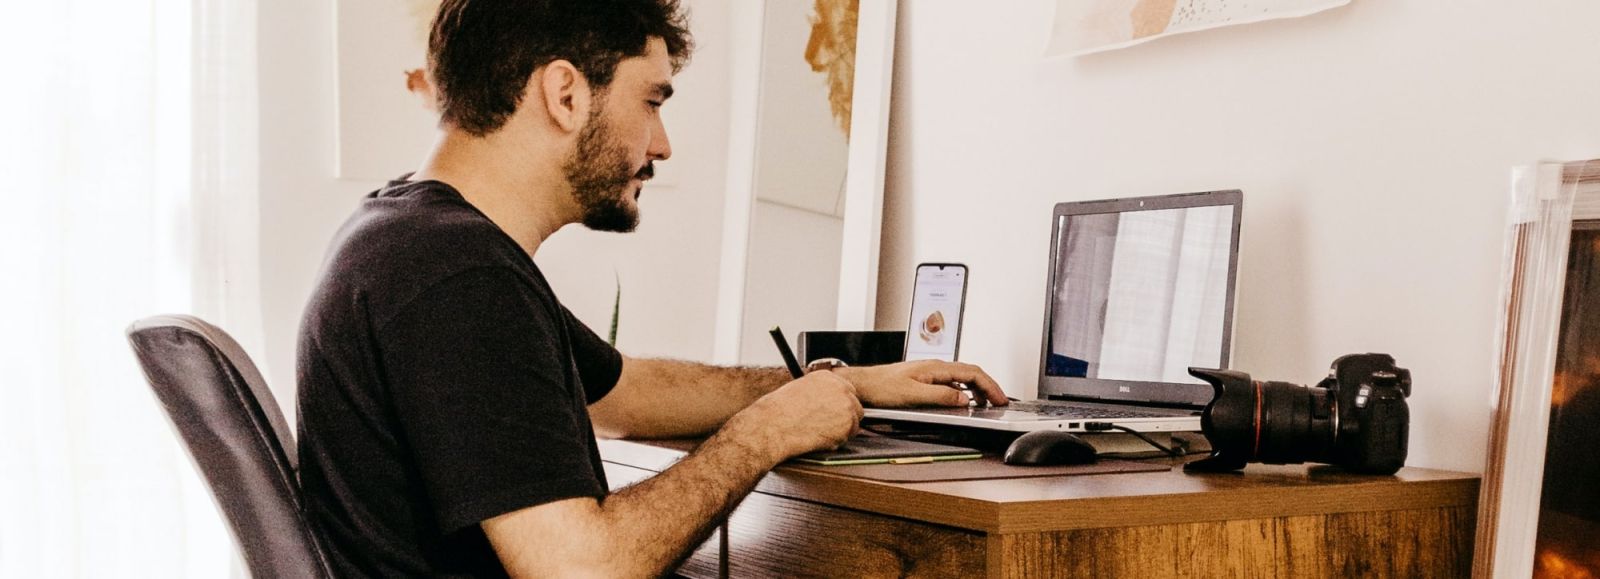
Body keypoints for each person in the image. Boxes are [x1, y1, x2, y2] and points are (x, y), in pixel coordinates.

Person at [295, 0, 1008, 576]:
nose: (662, 143)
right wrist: (761, 435)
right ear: (566, 93)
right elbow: (582, 570)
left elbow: (627, 393)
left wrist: (854, 380)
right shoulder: (457, 275)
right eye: (651, 100)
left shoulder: (411, 233)